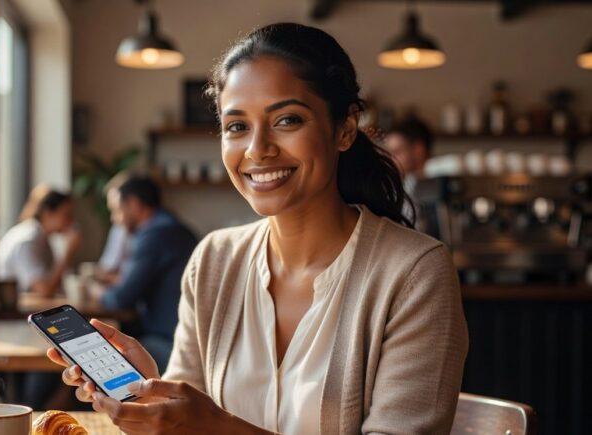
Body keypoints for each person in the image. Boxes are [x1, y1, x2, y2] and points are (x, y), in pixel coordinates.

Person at [48, 23, 468, 434]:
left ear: (344, 129)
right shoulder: (214, 260)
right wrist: (149, 399)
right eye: (237, 126)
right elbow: (184, 422)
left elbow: (204, 427)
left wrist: (215, 427)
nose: (257, 149)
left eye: (287, 120)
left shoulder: (415, 273)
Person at [85, 175, 198, 373]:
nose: (114, 219)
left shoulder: (156, 234)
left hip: (170, 343)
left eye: (116, 210)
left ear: (134, 204)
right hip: (183, 337)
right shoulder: (173, 228)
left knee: (92, 357)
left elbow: (121, 299)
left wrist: (93, 289)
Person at [0, 185, 81, 297]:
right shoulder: (27, 240)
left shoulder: (42, 239)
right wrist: (68, 253)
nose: (71, 221)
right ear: (47, 213)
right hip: (16, 311)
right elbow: (45, 290)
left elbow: (54, 285)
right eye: (66, 215)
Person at [384, 117, 435, 233]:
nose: (390, 159)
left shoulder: (440, 183)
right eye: (389, 153)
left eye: (396, 152)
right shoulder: (396, 190)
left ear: (418, 150)